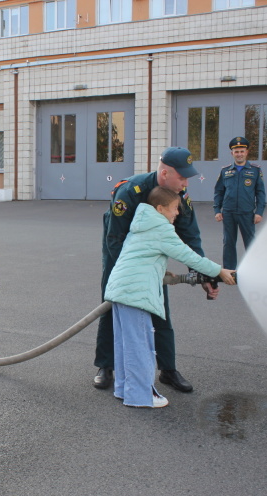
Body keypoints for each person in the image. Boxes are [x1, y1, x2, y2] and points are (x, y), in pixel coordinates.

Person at [94, 147, 217, 394]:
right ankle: (106, 366)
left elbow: (190, 237)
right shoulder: (130, 191)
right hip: (120, 256)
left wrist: (204, 274)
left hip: (151, 257)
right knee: (113, 303)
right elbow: (114, 238)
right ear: (164, 173)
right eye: (181, 178)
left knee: (159, 308)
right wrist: (131, 274)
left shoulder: (179, 196)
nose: (185, 184)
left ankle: (168, 369)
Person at [105, 187, 235, 408]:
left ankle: (125, 389)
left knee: (126, 344)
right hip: (135, 293)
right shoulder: (161, 228)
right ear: (160, 208)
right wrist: (219, 271)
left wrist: (159, 273)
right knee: (140, 345)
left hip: (121, 289)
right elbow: (188, 255)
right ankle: (140, 395)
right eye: (175, 208)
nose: (177, 213)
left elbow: (139, 256)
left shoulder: (141, 225)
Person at [213, 136, 266, 270]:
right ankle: (229, 271)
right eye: (236, 152)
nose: (239, 154)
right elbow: (219, 191)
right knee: (228, 242)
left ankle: (253, 269)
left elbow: (260, 192)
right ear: (232, 153)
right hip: (229, 213)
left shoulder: (255, 170)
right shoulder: (225, 171)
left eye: (242, 151)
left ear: (247, 152)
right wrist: (217, 210)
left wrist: (259, 212)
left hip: (247, 213)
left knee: (250, 242)